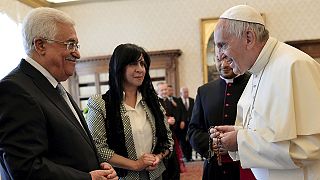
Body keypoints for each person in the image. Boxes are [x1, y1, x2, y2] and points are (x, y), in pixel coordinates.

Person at [0, 7, 117, 180]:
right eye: (70, 44)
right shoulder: (15, 89)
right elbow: (25, 167)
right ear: (40, 45)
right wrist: (88, 178)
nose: (77, 53)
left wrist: (101, 167)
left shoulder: (53, 87)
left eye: (76, 45)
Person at [209, 5, 320, 180]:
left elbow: (312, 145)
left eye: (223, 45)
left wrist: (241, 141)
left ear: (249, 38)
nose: (221, 55)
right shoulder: (255, 72)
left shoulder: (295, 65)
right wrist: (238, 132)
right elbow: (271, 131)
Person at [86, 43, 174, 180]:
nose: (140, 69)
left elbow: (168, 140)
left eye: (143, 64)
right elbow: (98, 148)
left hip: (156, 175)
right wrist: (135, 165)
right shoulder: (100, 104)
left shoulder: (153, 102)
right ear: (119, 67)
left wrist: (157, 156)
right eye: (133, 64)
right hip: (121, 177)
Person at [188, 54, 252, 179]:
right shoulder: (204, 91)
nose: (223, 65)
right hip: (214, 168)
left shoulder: (253, 84)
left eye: (228, 59)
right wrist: (211, 143)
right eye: (218, 59)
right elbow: (193, 130)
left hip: (246, 166)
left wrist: (237, 141)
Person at [156, 82, 182, 180]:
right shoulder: (155, 101)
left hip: (172, 134)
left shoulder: (170, 101)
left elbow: (174, 115)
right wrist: (166, 121)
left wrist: (174, 121)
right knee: (166, 162)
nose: (164, 92)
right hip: (161, 137)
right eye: (162, 90)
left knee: (174, 161)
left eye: (165, 89)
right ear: (158, 91)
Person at [176, 87, 194, 162]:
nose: (186, 93)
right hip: (181, 124)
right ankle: (186, 156)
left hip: (190, 124)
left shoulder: (192, 100)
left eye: (187, 92)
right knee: (183, 141)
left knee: (190, 139)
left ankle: (189, 156)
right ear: (181, 93)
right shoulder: (178, 101)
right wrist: (181, 120)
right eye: (185, 92)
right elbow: (178, 112)